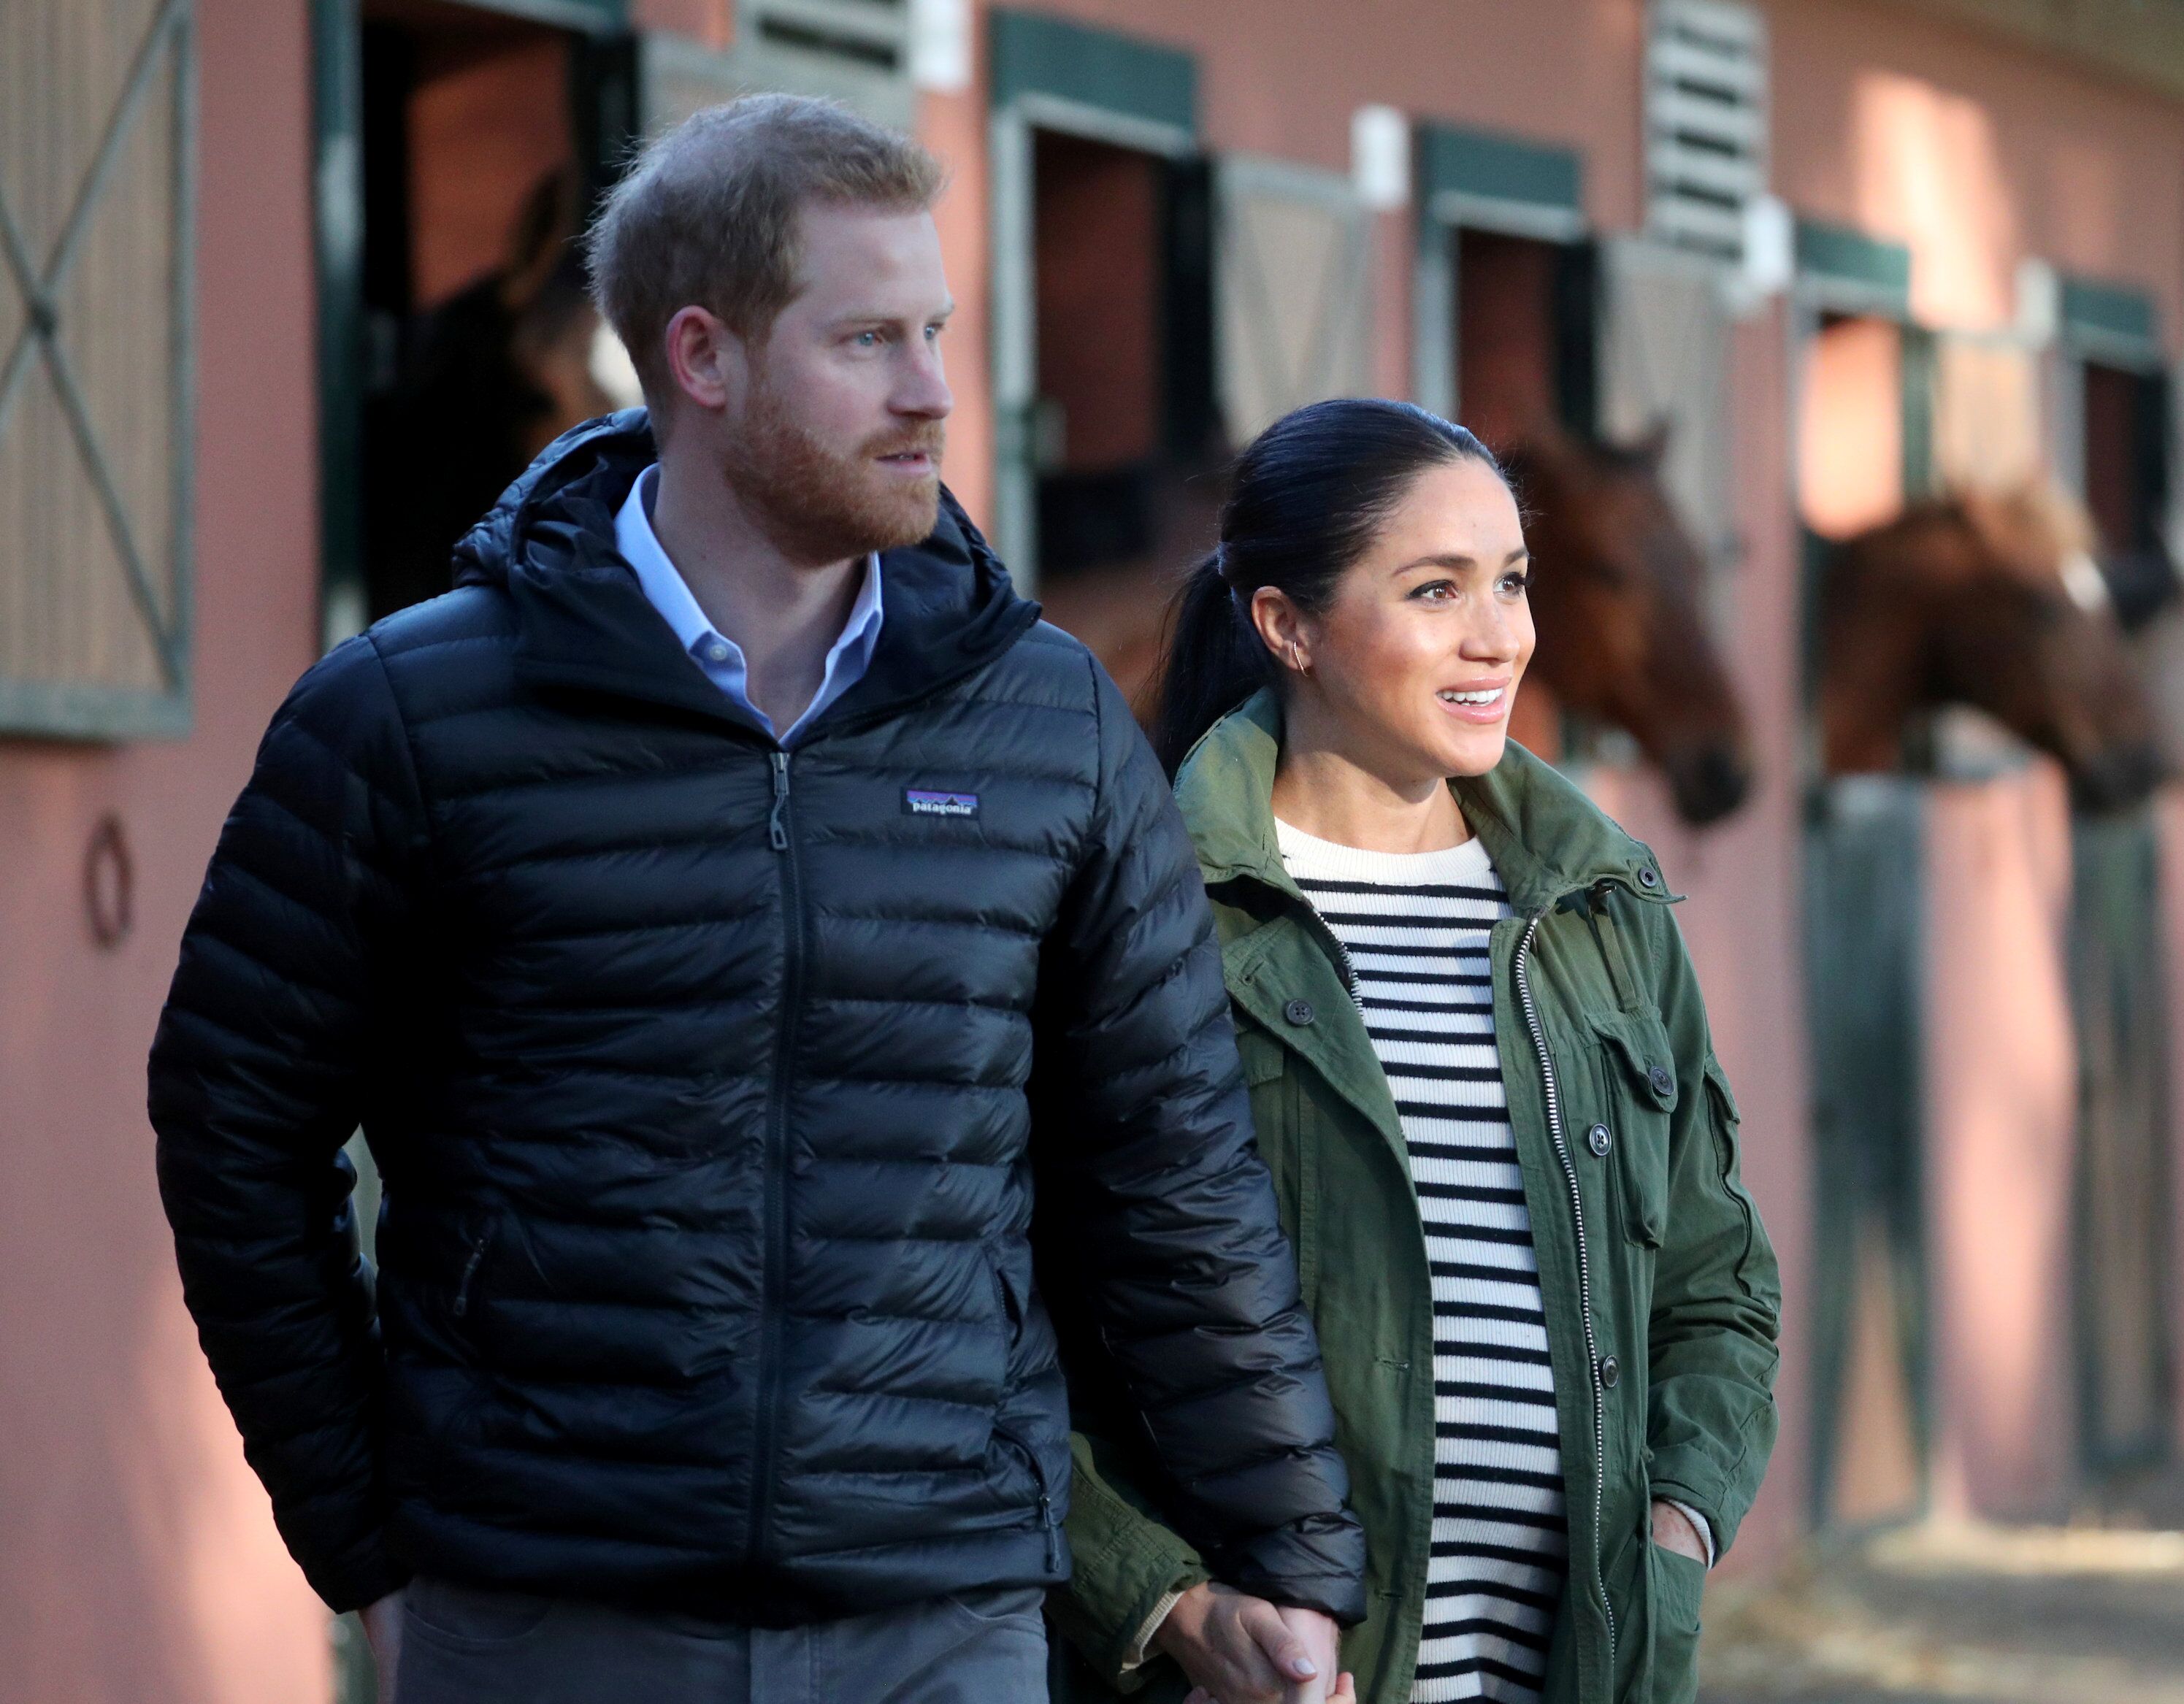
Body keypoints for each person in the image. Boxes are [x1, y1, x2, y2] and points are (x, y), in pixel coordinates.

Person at [149, 95, 1363, 1704]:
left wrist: (1284, 1557)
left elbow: (1170, 1169)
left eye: (934, 329)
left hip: (945, 1622)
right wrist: (367, 1542)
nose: (933, 390)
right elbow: (233, 1127)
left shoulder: (1049, 723)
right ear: (702, 358)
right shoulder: (405, 718)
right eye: (867, 340)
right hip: (547, 1617)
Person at [1046, 400, 1780, 1704]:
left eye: (1511, 581)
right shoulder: (1151, 915)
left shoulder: (1601, 912)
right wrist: (1166, 1602)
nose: (1497, 635)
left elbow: (1717, 1287)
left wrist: (1676, 1526)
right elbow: (1008, 1318)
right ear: (1289, 625)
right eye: (1435, 589)